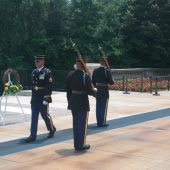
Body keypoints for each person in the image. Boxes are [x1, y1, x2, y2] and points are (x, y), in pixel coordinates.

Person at [66, 59, 96, 151]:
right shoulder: (85, 76)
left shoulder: (70, 74)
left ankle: (76, 144)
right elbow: (89, 91)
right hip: (82, 102)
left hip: (73, 101)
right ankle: (81, 144)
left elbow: (68, 90)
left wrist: (70, 102)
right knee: (82, 125)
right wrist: (96, 93)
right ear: (83, 64)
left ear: (76, 64)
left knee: (75, 124)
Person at [25, 55, 56, 143]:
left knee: (44, 115)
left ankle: (52, 129)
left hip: (43, 97)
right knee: (34, 117)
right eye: (35, 61)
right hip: (35, 98)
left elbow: (49, 86)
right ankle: (32, 135)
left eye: (38, 61)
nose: (36, 63)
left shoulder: (47, 72)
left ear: (42, 62)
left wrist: (47, 98)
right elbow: (33, 85)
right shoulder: (34, 72)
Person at [92, 58, 114, 127]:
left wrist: (97, 87)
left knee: (98, 106)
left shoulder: (95, 70)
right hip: (104, 90)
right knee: (103, 107)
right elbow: (111, 82)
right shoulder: (106, 71)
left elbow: (93, 82)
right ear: (105, 63)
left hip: (98, 90)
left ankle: (98, 122)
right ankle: (102, 122)